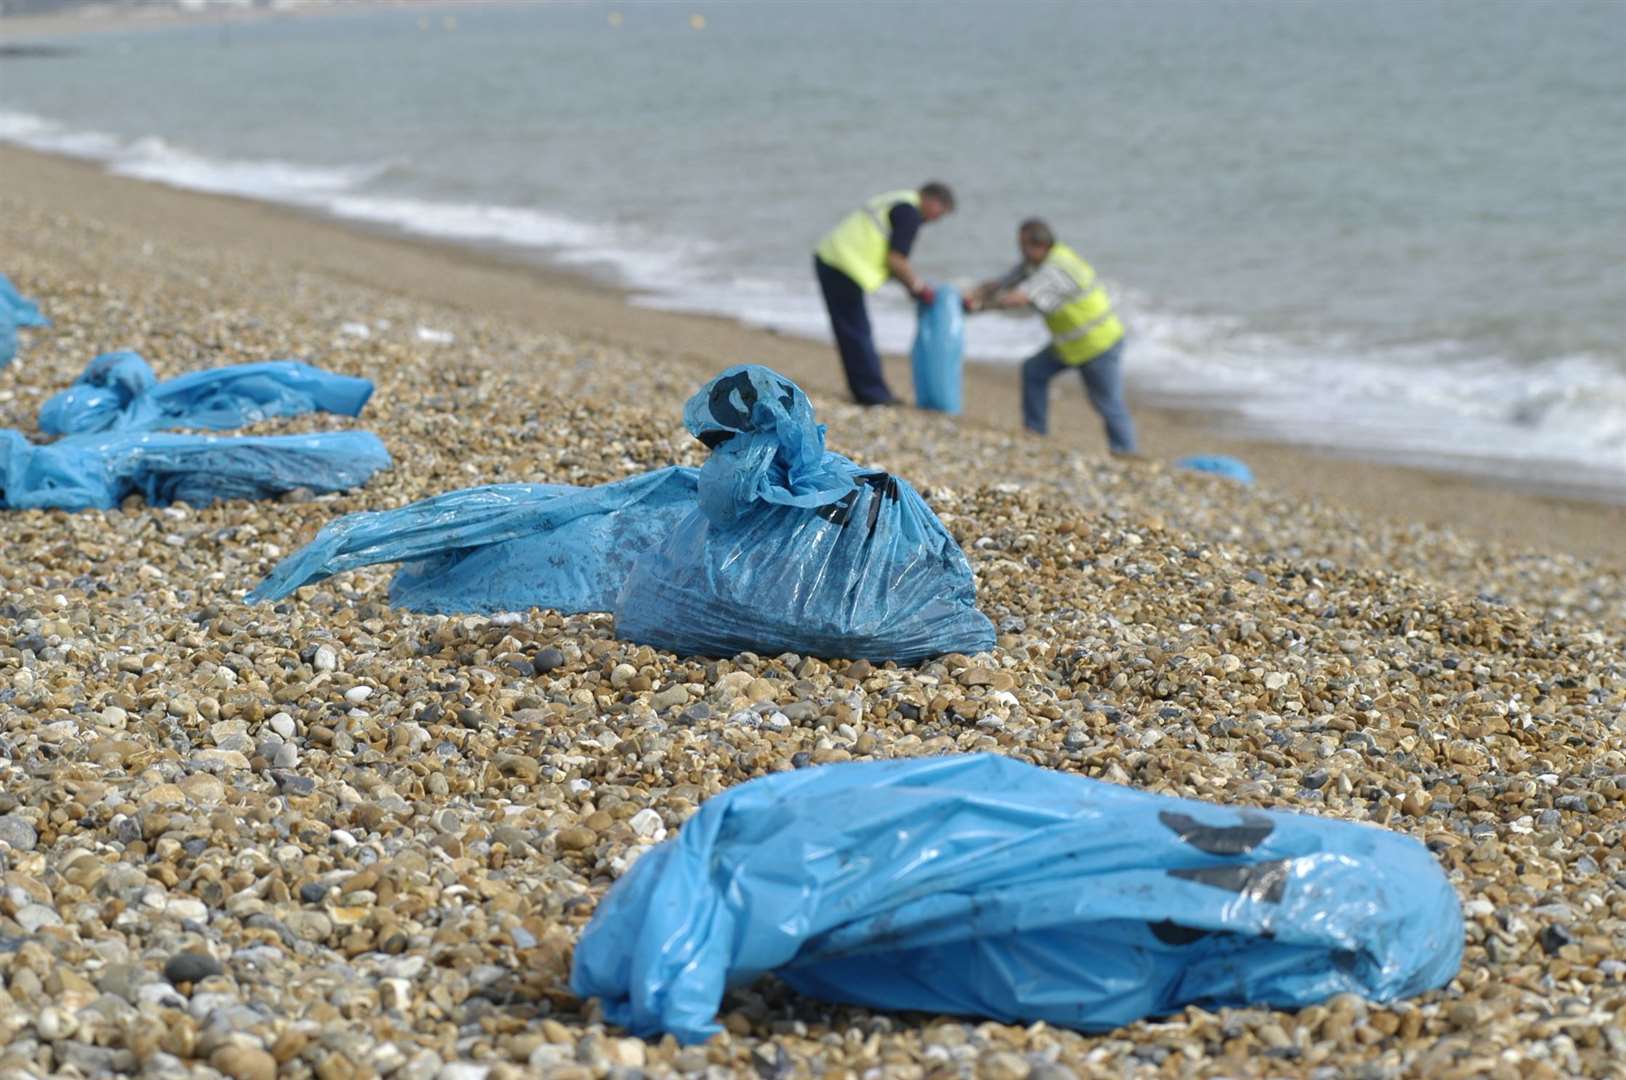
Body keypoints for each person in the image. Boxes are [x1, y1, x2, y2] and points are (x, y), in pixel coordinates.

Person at [967, 219, 1137, 454]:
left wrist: (981, 306)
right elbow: (1004, 282)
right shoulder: (1035, 263)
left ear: (1039, 245)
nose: (1021, 251)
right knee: (1033, 371)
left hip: (1098, 344)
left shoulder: (1057, 267)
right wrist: (974, 294)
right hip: (1069, 345)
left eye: (1023, 246)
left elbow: (1020, 297)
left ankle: (1125, 452)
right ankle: (1036, 434)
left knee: (1107, 403)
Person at [814, 182, 955, 406]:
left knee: (851, 330)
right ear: (933, 201)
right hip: (844, 265)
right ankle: (873, 395)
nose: (936, 220)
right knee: (856, 331)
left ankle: (867, 391)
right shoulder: (909, 213)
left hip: (834, 258)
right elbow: (897, 260)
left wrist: (910, 286)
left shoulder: (900, 200)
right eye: (941, 213)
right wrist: (919, 288)